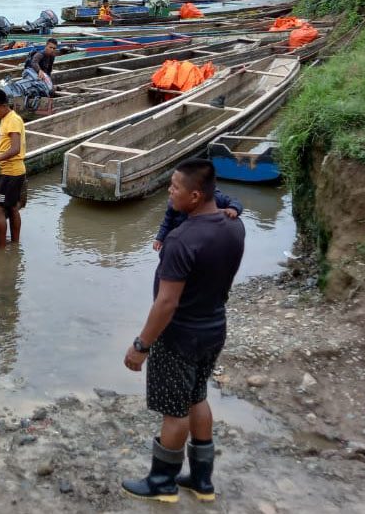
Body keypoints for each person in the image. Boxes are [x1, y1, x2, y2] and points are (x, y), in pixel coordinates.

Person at [121, 159, 245, 503]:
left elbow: (166, 303)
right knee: (197, 398)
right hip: (214, 328)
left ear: (194, 196)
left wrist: (141, 345)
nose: (169, 192)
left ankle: (163, 483)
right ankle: (202, 481)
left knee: (174, 411)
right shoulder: (235, 228)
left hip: (179, 336)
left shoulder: (182, 239)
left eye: (174, 187)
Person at [0, 89, 26, 249]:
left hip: (11, 172)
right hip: (12, 170)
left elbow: (15, 149)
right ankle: (15, 244)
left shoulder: (13, 120)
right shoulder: (6, 119)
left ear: (2, 106)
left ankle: (1, 248)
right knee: (13, 206)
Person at [153, 189, 243, 251]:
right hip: (181, 239)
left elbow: (234, 201)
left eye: (177, 187)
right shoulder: (174, 202)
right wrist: (160, 239)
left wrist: (233, 208)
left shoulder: (213, 197)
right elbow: (167, 222)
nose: (170, 190)